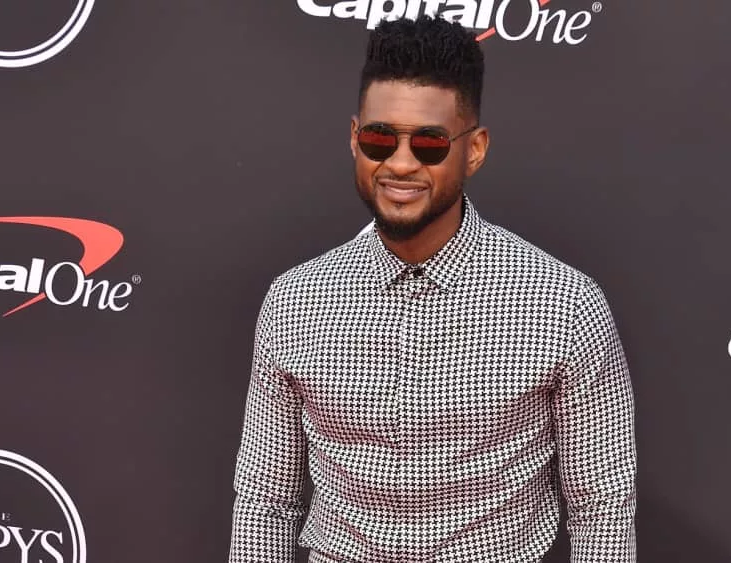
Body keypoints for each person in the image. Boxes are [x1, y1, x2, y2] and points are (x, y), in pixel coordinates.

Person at [228, 14, 636, 563]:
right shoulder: (293, 300)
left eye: (430, 144)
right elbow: (264, 501)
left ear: (475, 149)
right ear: (354, 138)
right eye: (379, 139)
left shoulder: (565, 303)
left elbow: (602, 508)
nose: (399, 163)